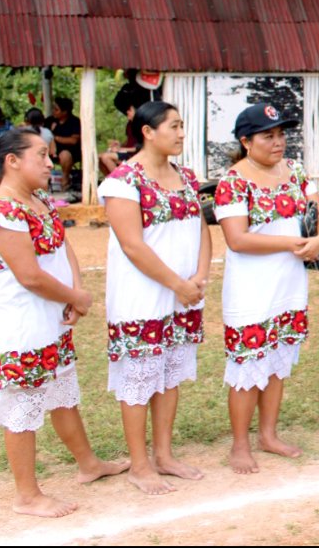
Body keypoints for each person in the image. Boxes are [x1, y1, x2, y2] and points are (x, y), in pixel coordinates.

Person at [0, 128, 128, 517]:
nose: (50, 162)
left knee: (61, 390)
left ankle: (89, 464)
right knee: (23, 405)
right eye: (41, 155)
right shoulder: (3, 212)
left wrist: (75, 290)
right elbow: (29, 276)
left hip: (51, 317)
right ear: (12, 161)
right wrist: (75, 297)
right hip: (23, 324)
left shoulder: (39, 200)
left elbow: (63, 247)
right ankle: (27, 496)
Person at [99, 102, 211, 495]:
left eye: (182, 125)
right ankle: (140, 465)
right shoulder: (122, 181)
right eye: (174, 126)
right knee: (139, 379)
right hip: (142, 298)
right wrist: (176, 284)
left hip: (182, 297)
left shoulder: (186, 176)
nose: (181, 133)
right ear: (148, 132)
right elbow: (133, 245)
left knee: (169, 374)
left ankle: (164, 455)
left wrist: (199, 275)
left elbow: (200, 227)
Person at [213, 103, 319, 474]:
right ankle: (240, 444)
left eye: (281, 134)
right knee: (248, 365)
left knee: (277, 360)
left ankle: (268, 434)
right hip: (252, 288)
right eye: (268, 135)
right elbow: (237, 239)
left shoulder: (293, 169)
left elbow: (318, 207)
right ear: (246, 141)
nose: (278, 142)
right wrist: (293, 244)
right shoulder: (234, 181)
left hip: (288, 283)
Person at [49, 98, 83, 196]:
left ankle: (65, 179)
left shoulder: (74, 122)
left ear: (65, 112)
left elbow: (73, 140)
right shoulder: (50, 120)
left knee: (65, 155)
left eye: (56, 109)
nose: (53, 112)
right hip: (52, 150)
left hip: (72, 152)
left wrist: (56, 137)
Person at [99, 104, 139, 177]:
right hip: (126, 152)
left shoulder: (143, 126)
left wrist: (121, 149)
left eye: (130, 110)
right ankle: (109, 179)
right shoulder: (129, 124)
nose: (127, 112)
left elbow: (140, 147)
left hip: (135, 155)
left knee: (105, 157)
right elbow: (129, 141)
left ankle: (121, 181)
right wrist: (119, 145)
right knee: (98, 156)